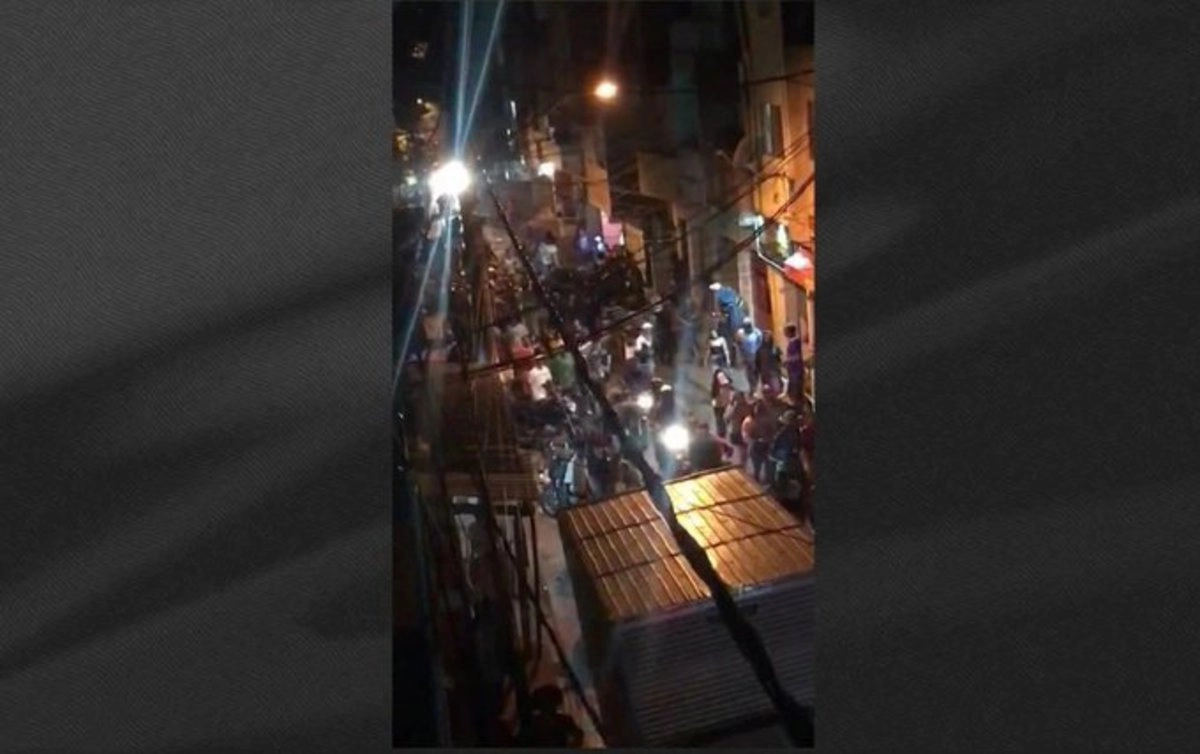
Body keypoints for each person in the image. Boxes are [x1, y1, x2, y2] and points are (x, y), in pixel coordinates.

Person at [741, 401, 772, 483]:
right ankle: (756, 480)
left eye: (759, 409)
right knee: (756, 466)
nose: (757, 410)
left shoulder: (766, 419)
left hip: (765, 444)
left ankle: (768, 481)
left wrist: (767, 439)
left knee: (768, 465)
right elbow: (745, 435)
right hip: (754, 445)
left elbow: (770, 431)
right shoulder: (748, 421)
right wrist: (755, 439)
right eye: (756, 408)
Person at [735, 317, 764, 392]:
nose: (747, 327)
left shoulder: (757, 332)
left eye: (748, 325)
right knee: (748, 373)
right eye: (746, 325)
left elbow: (760, 343)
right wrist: (740, 355)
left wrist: (757, 350)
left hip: (756, 355)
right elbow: (738, 344)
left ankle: (756, 387)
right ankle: (752, 387)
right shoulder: (740, 333)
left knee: (756, 372)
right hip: (745, 355)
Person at [756, 330, 784, 396]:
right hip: (764, 372)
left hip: (774, 371)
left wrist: (779, 367)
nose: (766, 338)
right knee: (766, 390)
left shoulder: (775, 348)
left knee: (776, 389)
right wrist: (759, 371)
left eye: (768, 337)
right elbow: (757, 361)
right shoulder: (760, 349)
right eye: (765, 337)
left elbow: (779, 359)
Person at [710, 367, 734, 438]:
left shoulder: (716, 379)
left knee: (719, 419)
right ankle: (722, 433)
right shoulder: (721, 375)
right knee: (721, 419)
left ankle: (721, 433)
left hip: (717, 403)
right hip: (720, 403)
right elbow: (726, 383)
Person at [784, 323, 805, 403]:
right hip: (792, 370)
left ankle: (798, 404)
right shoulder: (791, 342)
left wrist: (788, 360)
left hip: (796, 370)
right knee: (793, 388)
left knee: (797, 389)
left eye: (786, 331)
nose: (785, 333)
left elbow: (797, 356)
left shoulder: (795, 343)